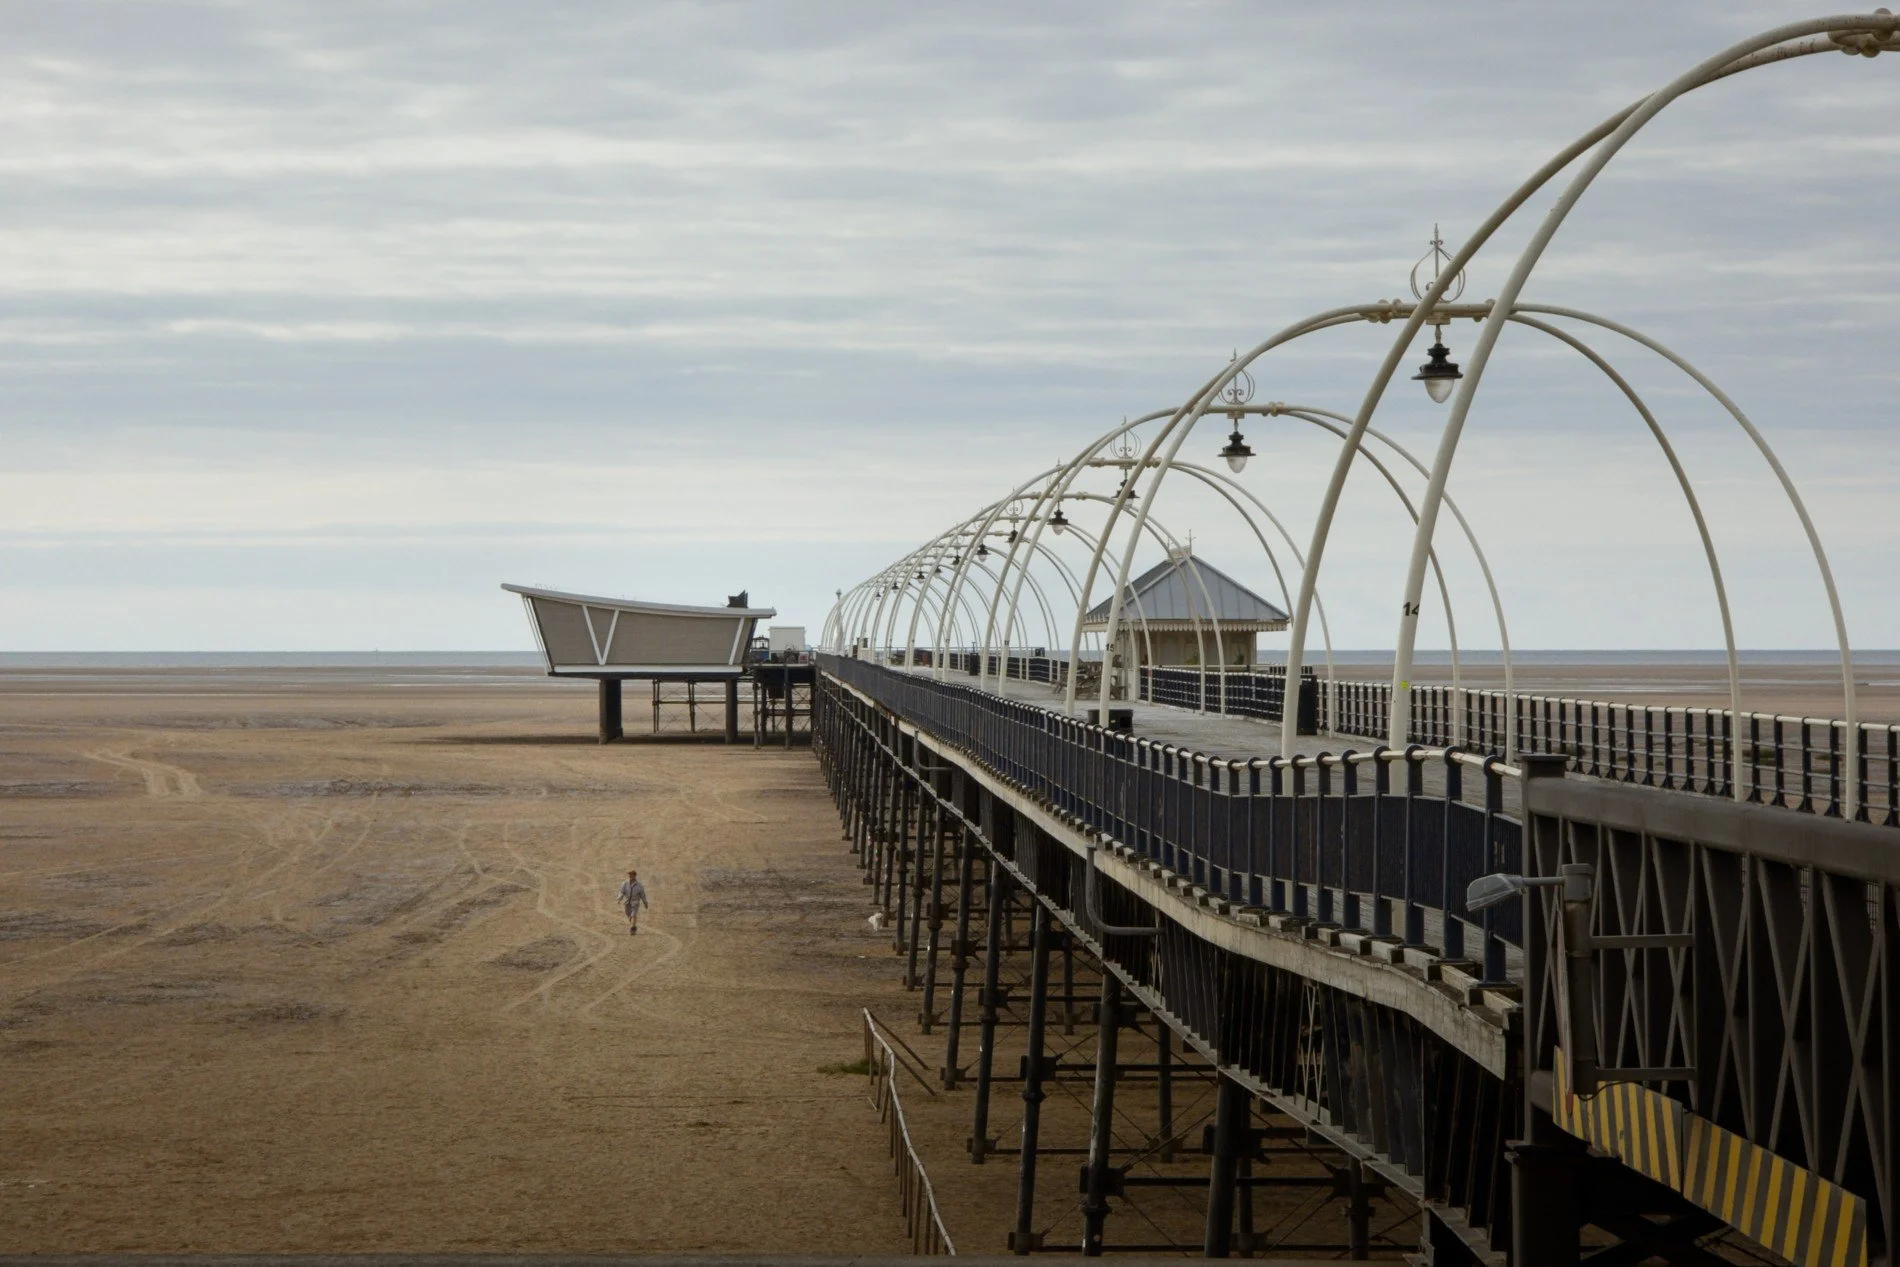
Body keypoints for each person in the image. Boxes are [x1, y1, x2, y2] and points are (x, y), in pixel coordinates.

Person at [618, 869, 650, 935]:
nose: (629, 876)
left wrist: (645, 902)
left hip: (635, 902)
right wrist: (619, 899)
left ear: (634, 875)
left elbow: (642, 895)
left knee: (633, 915)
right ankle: (634, 926)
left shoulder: (639, 885)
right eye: (629, 874)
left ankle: (632, 929)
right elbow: (622, 892)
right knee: (629, 915)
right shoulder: (625, 883)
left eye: (631, 874)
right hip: (627, 902)